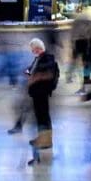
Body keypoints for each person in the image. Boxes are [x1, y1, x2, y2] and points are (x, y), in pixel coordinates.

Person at [25, 37, 58, 166]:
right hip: (37, 93)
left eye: (33, 49)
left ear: (38, 48)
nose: (32, 52)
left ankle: (45, 140)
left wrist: (35, 78)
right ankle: (43, 138)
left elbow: (46, 73)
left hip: (41, 93)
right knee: (41, 116)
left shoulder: (46, 58)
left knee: (43, 116)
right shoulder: (39, 58)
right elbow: (33, 69)